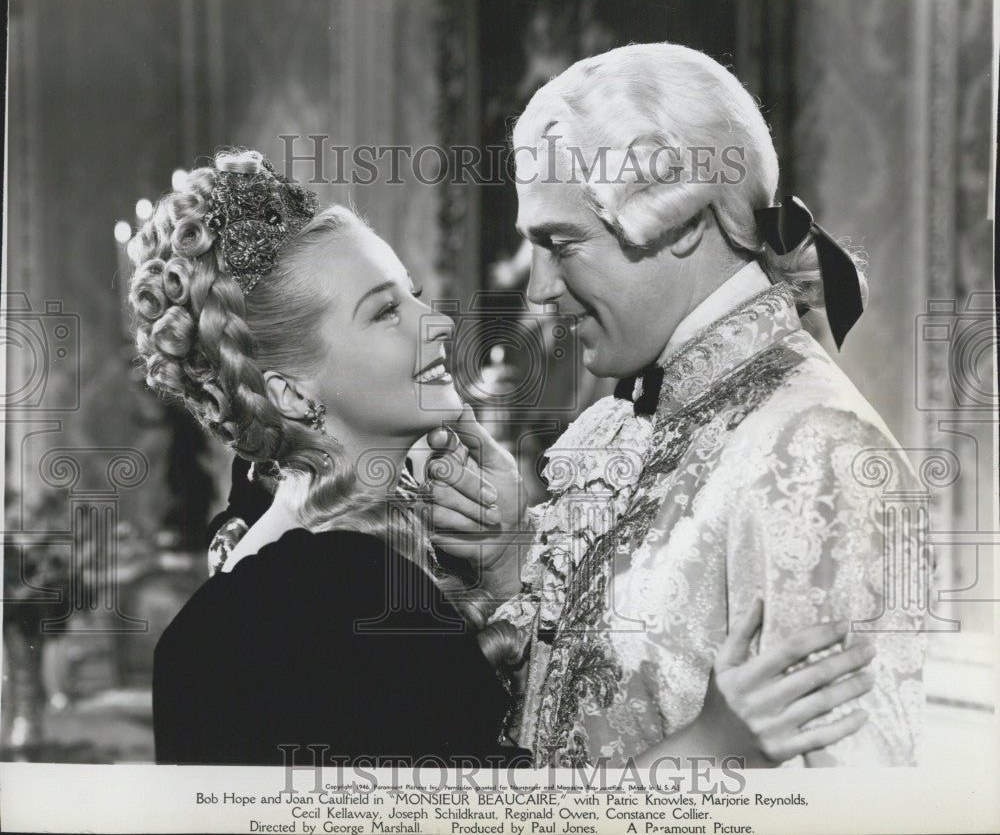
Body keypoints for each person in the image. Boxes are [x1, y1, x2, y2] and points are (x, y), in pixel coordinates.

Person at [132, 148, 875, 767]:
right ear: (292, 394)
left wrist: (509, 557)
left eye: (412, 295)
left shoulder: (270, 549)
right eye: (385, 311)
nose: (436, 322)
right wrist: (716, 743)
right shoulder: (339, 587)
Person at [426, 43, 927, 768]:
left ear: (684, 224)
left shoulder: (815, 448)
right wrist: (509, 559)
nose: (538, 289)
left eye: (561, 244)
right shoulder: (619, 421)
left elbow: (853, 800)